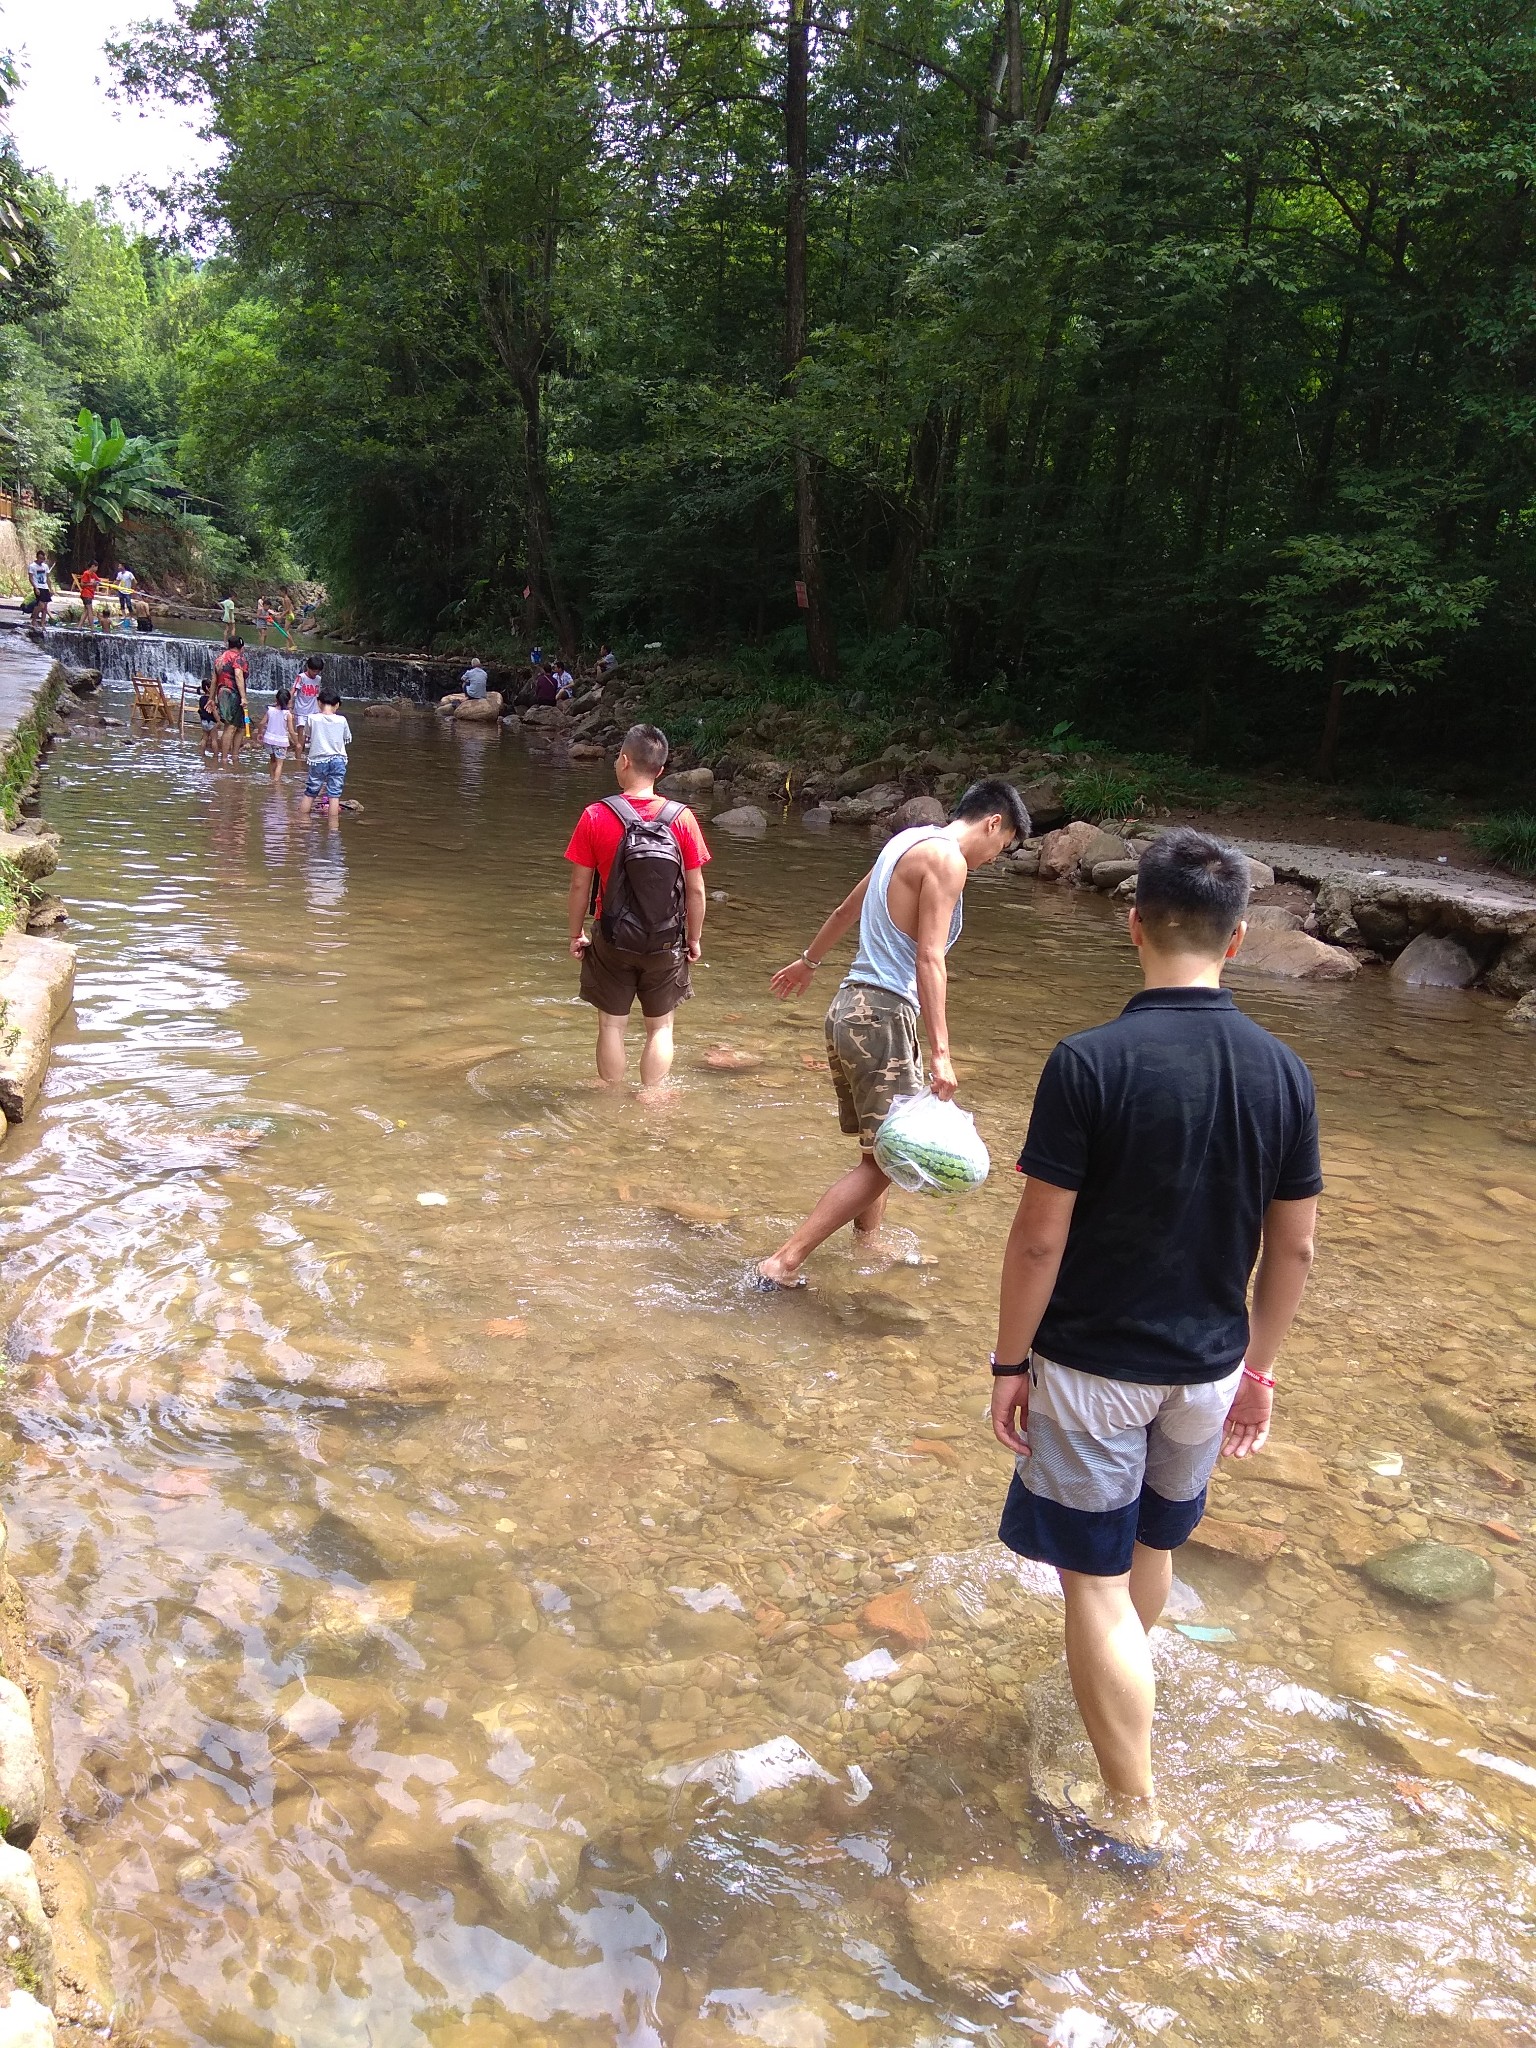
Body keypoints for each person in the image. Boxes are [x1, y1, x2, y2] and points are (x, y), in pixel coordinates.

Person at [988, 828, 1322, 1864]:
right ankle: (1120, 1693)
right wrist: (1260, 1369)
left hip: (1095, 1368)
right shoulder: (1285, 1072)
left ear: (1134, 925)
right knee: (1151, 1550)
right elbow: (1294, 1248)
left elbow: (1038, 1238)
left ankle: (1133, 1809)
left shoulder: (1088, 1062)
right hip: (1209, 1370)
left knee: (1089, 1583)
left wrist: (1008, 1364)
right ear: (1237, 940)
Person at [754, 780, 1029, 1288]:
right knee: (887, 1162)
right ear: (994, 823)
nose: (994, 859)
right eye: (1003, 845)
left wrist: (809, 962)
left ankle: (868, 1246)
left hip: (847, 1008)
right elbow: (930, 958)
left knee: (878, 1150)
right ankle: (783, 1262)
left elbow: (846, 910)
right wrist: (942, 1053)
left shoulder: (905, 841)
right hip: (883, 1015)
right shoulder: (948, 861)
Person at [564, 723, 710, 1091]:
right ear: (660, 770)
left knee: (611, 1024)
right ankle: (652, 1095)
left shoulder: (595, 815)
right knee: (660, 1027)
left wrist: (575, 934)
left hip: (613, 938)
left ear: (625, 761)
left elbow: (579, 884)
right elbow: (695, 890)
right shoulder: (682, 818)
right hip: (665, 941)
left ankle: (611, 1093)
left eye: (617, 757)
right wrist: (693, 939)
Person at [301, 685, 353, 820]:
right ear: (337, 705)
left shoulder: (312, 718)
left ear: (319, 702)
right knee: (334, 794)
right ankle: (333, 827)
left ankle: (303, 823)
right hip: (338, 760)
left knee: (311, 791)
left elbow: (308, 734)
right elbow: (346, 737)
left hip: (318, 760)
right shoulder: (342, 720)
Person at [211, 638, 250, 762]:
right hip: (233, 693)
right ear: (241, 647)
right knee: (231, 727)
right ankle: (224, 759)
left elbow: (214, 680)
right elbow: (238, 675)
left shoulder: (220, 659)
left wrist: (211, 698)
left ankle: (234, 757)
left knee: (241, 726)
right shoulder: (238, 658)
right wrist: (243, 697)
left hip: (222, 693)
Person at [261, 686, 300, 781]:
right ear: (288, 701)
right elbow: (291, 731)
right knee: (279, 764)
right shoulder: (287, 714)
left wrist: (259, 733)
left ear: (276, 699)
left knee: (272, 760)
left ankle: (271, 777)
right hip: (280, 743)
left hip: (268, 741)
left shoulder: (270, 710)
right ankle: (276, 782)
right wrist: (297, 743)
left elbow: (262, 723)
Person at [291, 656, 323, 745]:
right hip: (301, 711)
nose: (315, 673)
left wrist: (320, 708)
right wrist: (289, 707)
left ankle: (306, 752)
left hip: (313, 711)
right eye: (314, 671)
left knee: (311, 736)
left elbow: (317, 694)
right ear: (308, 667)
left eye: (318, 671)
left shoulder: (318, 679)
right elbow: (293, 691)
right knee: (301, 735)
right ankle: (299, 753)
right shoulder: (301, 677)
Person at [25, 551, 51, 624]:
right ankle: (34, 620)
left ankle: (42, 622)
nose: (41, 560)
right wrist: (35, 588)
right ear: (37, 557)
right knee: (41, 605)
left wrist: (51, 588)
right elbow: (30, 578)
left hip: (45, 587)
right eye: (40, 558)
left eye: (43, 559)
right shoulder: (32, 566)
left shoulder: (45, 566)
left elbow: (48, 578)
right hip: (38, 587)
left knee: (45, 607)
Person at [77, 563, 101, 630]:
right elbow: (82, 584)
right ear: (93, 566)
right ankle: (92, 628)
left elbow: (98, 581)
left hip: (90, 594)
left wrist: (97, 583)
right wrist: (92, 584)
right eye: (96, 567)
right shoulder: (86, 573)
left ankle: (79, 626)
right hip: (86, 594)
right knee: (90, 610)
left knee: (86, 611)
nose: (97, 569)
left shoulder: (93, 574)